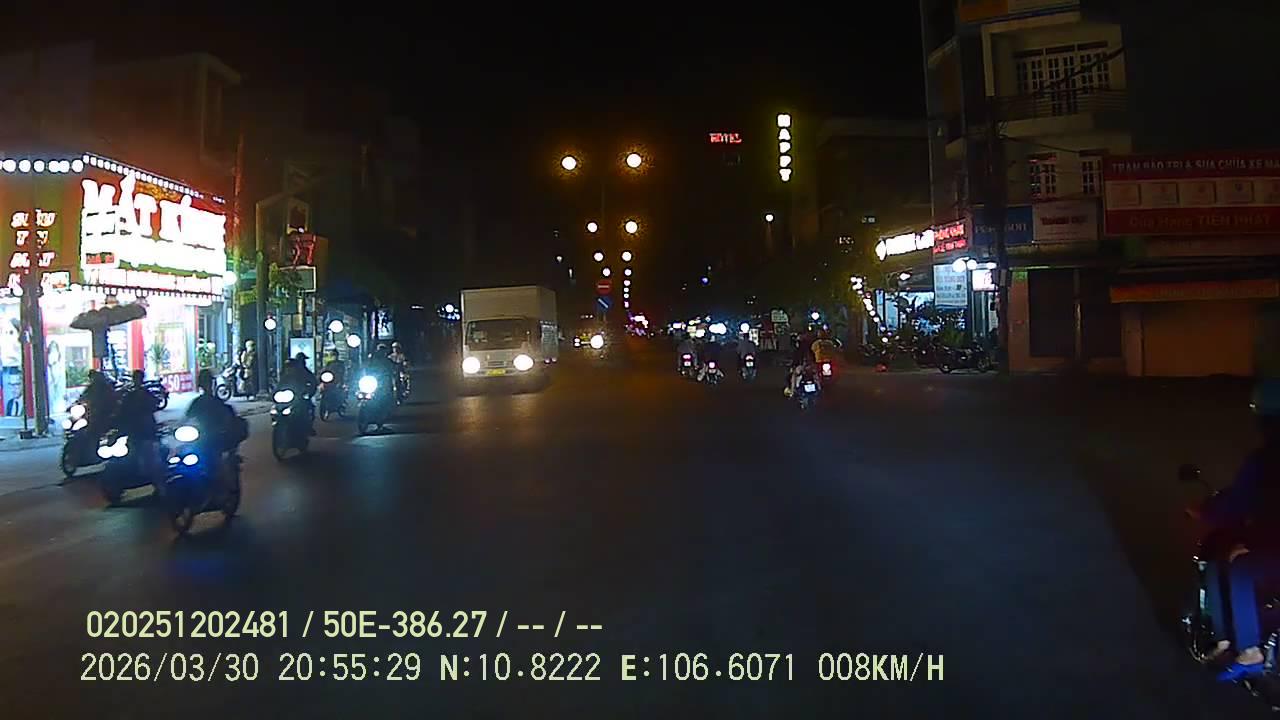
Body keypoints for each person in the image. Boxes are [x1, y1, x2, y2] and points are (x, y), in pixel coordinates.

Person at [1194, 379, 1280, 681]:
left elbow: (1237, 503)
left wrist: (1206, 511)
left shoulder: (1264, 461)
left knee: (1236, 566)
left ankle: (1247, 650)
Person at [185, 369, 246, 486]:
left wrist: (224, 429)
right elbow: (186, 418)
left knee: (221, 463)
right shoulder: (197, 403)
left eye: (207, 381)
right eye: (204, 382)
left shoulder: (219, 404)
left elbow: (229, 420)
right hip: (201, 439)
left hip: (217, 439)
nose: (206, 385)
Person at [116, 369, 162, 490]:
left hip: (144, 431)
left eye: (138, 379)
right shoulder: (130, 395)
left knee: (150, 457)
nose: (137, 381)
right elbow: (121, 412)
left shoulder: (144, 394)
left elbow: (154, 405)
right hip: (135, 431)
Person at [279, 353, 318, 433]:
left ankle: (308, 426)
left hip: (300, 396)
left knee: (309, 407)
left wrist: (308, 392)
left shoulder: (305, 372)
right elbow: (280, 385)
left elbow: (313, 382)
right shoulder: (286, 374)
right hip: (288, 396)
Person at [78, 369, 119, 436]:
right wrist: (78, 402)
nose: (92, 379)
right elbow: (83, 396)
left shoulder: (106, 387)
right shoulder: (91, 387)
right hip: (92, 410)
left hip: (102, 412)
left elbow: (112, 399)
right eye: (91, 377)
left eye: (93, 377)